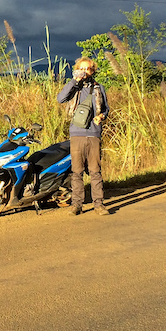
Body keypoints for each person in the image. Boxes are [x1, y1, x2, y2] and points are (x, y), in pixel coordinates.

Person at [57, 57, 110, 216]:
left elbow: (106, 109)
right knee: (77, 172)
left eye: (88, 69)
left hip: (93, 134)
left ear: (93, 71)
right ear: (77, 69)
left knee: (95, 171)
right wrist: (74, 81)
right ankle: (77, 205)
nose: (85, 72)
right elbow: (61, 98)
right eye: (82, 68)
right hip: (77, 134)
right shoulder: (74, 88)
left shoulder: (99, 88)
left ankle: (99, 205)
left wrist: (102, 116)